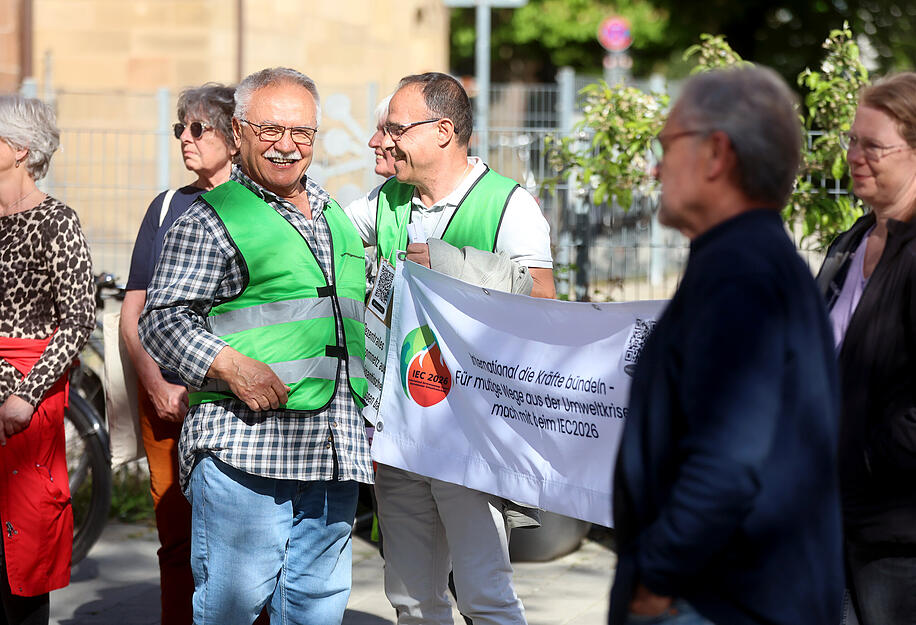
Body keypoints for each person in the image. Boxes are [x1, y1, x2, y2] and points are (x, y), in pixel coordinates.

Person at [608, 66, 843, 625]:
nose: (654, 166)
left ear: (716, 154)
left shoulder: (740, 272)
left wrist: (654, 582)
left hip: (714, 600)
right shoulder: (755, 260)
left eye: (666, 144)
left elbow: (727, 462)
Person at [138, 67, 372, 625]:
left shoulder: (338, 216)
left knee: (316, 608)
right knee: (232, 607)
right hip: (247, 449)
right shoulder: (210, 219)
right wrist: (230, 365)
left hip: (333, 448)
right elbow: (162, 321)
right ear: (239, 132)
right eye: (270, 129)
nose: (287, 146)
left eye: (302, 133)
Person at [345, 71, 554, 625]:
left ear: (443, 130)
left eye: (395, 128)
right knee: (411, 597)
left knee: (484, 593)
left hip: (472, 434)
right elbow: (325, 242)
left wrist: (451, 265)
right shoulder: (386, 201)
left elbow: (546, 303)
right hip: (400, 425)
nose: (381, 140)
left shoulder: (509, 205)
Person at [119, 82, 236, 625]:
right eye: (179, 130)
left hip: (230, 402)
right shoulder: (166, 206)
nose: (185, 140)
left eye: (198, 129)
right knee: (176, 541)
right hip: (164, 399)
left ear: (234, 137)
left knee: (242, 545)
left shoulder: (256, 207)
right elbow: (132, 314)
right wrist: (156, 386)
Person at [815, 72, 916, 625]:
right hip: (833, 513)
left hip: (898, 531)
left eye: (873, 145)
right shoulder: (851, 243)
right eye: (852, 140)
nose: (855, 155)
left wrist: (868, 458)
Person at [0, 95, 94, 625]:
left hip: (32, 395)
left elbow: (77, 318)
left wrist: (22, 392)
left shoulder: (58, 221)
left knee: (28, 534)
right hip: (5, 381)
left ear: (19, 149)